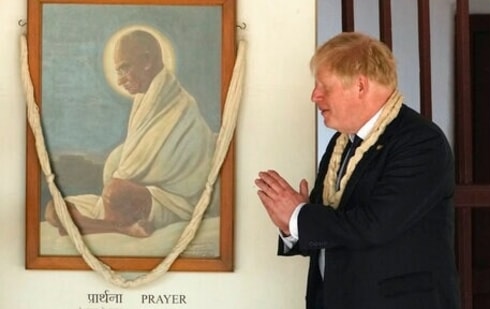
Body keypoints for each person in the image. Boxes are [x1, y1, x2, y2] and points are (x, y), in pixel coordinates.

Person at [255, 32, 460, 308]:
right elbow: (331, 230)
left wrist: (298, 216)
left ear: (360, 86)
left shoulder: (421, 142)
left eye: (323, 86)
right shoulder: (342, 143)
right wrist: (291, 227)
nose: (314, 96)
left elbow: (373, 226)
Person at [45, 29, 218, 238]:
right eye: (117, 72)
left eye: (124, 69)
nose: (119, 81)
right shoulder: (145, 98)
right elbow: (133, 159)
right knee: (54, 209)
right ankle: (122, 229)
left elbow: (146, 167)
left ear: (146, 60)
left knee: (115, 192)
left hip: (173, 202)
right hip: (140, 196)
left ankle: (88, 225)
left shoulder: (179, 104)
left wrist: (115, 185)